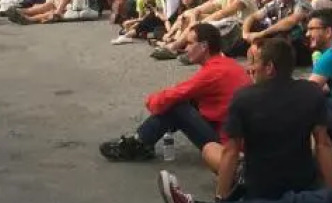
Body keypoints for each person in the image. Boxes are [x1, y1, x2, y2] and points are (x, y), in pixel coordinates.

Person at [100, 22, 252, 162]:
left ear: (204, 46)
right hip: (238, 137)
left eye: (190, 43)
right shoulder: (228, 64)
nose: (186, 48)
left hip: (229, 146)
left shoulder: (213, 72)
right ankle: (141, 141)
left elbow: (170, 96)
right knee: (183, 101)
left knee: (176, 106)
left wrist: (151, 101)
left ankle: (139, 143)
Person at [211, 37, 332, 202]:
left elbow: (231, 152)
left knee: (210, 148)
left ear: (269, 67)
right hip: (302, 183)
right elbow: (323, 144)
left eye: (255, 63)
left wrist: (221, 198)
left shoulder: (243, 97)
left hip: (260, 189)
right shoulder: (312, 92)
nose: (251, 69)